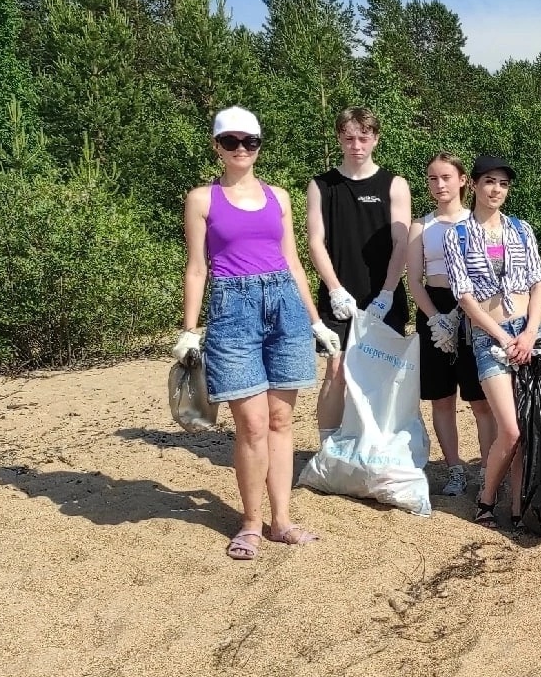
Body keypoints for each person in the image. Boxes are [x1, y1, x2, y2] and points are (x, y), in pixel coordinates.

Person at [174, 106, 341, 559]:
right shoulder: (202, 200)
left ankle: (281, 520)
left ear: (259, 146)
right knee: (250, 426)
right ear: (217, 146)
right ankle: (250, 522)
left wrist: (315, 320)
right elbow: (196, 269)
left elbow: (292, 262)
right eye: (232, 142)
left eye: (250, 142)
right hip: (233, 310)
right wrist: (190, 330)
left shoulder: (280, 197)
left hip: (285, 307)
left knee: (281, 420)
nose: (242, 149)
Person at [444, 155, 541, 530]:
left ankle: (518, 505)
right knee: (511, 428)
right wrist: (504, 337)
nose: (496, 190)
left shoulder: (522, 229)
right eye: (489, 181)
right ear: (473, 185)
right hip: (490, 337)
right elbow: (464, 296)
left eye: (503, 184)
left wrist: (531, 331)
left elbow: (539, 281)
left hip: (530, 333)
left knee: (529, 424)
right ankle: (487, 499)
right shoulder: (456, 235)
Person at [306, 107, 412, 437]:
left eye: (363, 138)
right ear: (339, 138)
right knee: (335, 370)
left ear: (375, 139)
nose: (356, 145)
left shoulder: (394, 184)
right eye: (349, 138)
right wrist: (335, 289)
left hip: (383, 294)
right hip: (339, 294)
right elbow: (315, 242)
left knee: (382, 373)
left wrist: (387, 293)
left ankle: (378, 444)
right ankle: (328, 448)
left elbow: (402, 242)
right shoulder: (322, 185)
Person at [406, 152, 495, 497]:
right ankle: (455, 468)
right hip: (435, 308)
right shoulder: (421, 225)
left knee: (481, 398)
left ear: (462, 181)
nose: (439, 184)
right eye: (432, 178)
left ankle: (489, 470)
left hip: (474, 309)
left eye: (446, 177)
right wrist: (436, 319)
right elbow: (414, 279)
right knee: (442, 398)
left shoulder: (477, 221)